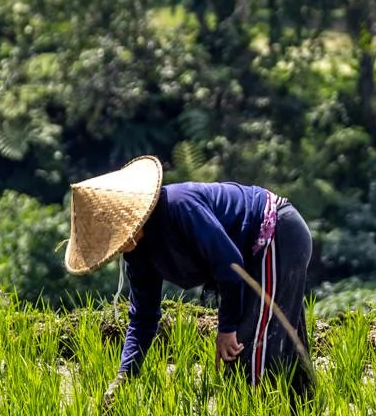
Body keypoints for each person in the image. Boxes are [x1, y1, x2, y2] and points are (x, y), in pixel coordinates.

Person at [63, 157, 314, 390]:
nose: (118, 246)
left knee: (255, 350)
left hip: (274, 232)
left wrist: (226, 329)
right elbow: (143, 317)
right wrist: (124, 376)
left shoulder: (179, 207)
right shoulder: (137, 254)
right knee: (262, 347)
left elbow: (229, 265)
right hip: (249, 259)